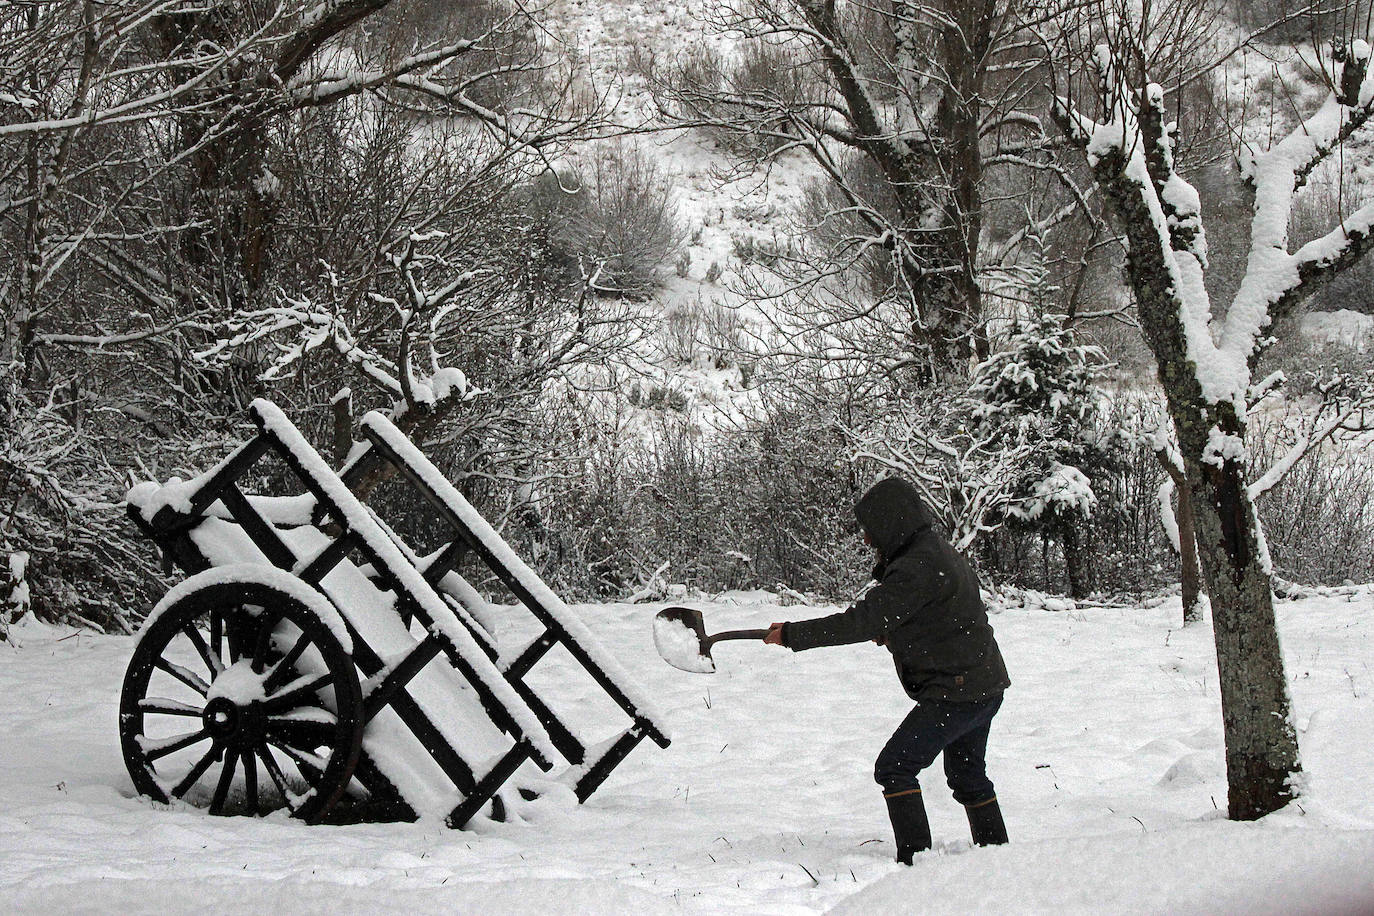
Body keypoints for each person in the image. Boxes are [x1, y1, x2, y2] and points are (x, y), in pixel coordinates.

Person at [764, 476, 1010, 864]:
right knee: (968, 777)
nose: (867, 540)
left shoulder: (917, 566)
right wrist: (895, 633)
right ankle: (999, 858)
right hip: (982, 685)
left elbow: (861, 621)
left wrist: (793, 634)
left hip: (957, 691)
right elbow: (940, 618)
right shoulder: (935, 552)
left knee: (895, 766)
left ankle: (916, 865)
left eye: (871, 530)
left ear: (893, 523)